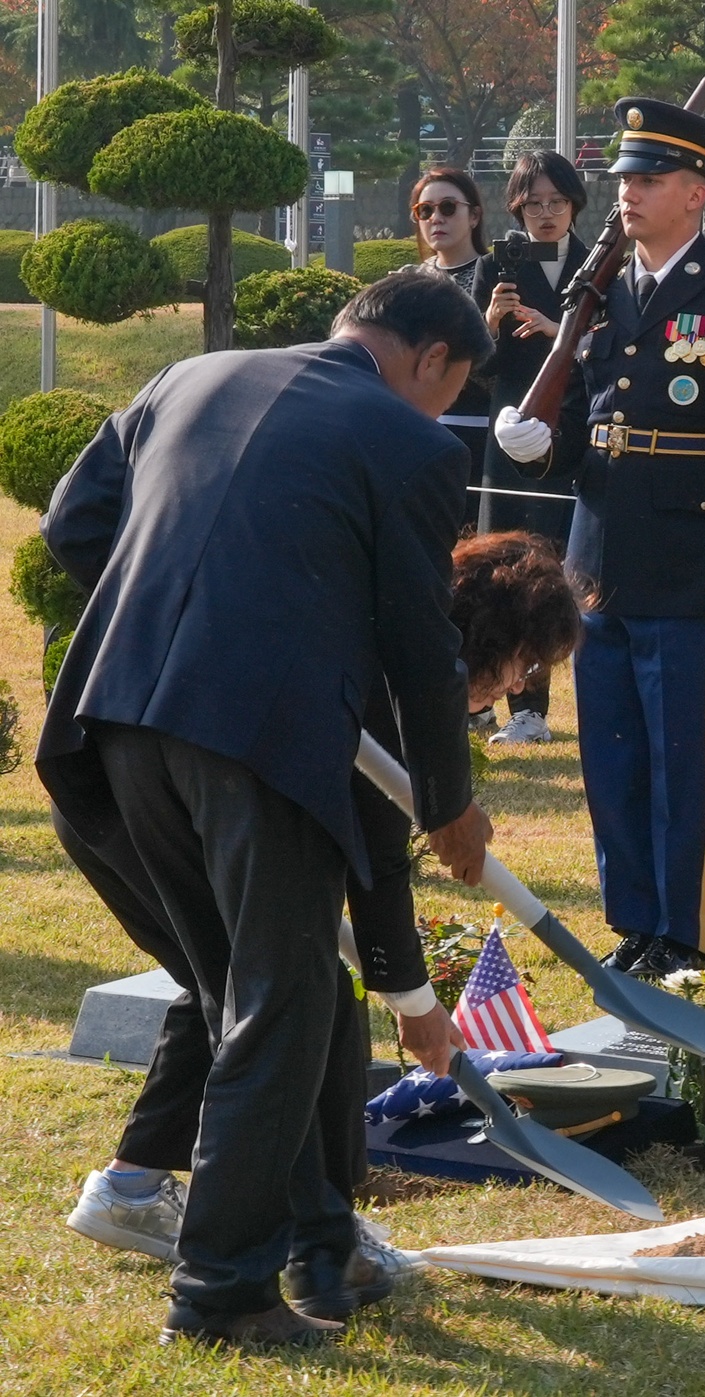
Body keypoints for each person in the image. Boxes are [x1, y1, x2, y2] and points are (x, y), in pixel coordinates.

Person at [36, 270, 495, 1349]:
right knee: (277, 1009)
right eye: (448, 387)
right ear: (430, 356)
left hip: (120, 715)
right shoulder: (413, 444)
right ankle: (220, 1295)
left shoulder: (189, 373)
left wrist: (185, 597)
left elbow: (73, 524)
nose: (437, 409)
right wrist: (448, 801)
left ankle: (323, 1243)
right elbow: (420, 651)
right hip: (257, 739)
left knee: (246, 994)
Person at [60, 532, 584, 1300]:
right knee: (301, 998)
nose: (522, 682)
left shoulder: (365, 635)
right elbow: (376, 857)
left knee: (247, 989)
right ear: (493, 639)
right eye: (526, 662)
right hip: (151, 807)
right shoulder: (384, 675)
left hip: (121, 785)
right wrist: (413, 1001)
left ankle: (137, 1187)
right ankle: (327, 1236)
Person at [496, 98, 705, 979]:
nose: (627, 194)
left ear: (696, 193)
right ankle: (636, 918)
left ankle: (692, 926)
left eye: (648, 180)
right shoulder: (603, 294)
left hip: (689, 557)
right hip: (598, 557)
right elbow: (593, 424)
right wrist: (538, 444)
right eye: (625, 179)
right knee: (613, 751)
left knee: (685, 755)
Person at [472, 151, 590, 745]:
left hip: (573, 426)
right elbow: (476, 368)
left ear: (575, 205)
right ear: (516, 207)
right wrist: (487, 322)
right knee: (506, 566)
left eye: (557, 202)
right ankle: (511, 702)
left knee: (560, 563)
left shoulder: (602, 261)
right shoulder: (498, 262)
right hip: (510, 429)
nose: (546, 215)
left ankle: (539, 704)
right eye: (533, 203)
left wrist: (559, 332)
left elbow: (616, 347)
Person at [410, 167, 492, 531]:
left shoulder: (499, 274)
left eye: (447, 207)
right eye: (424, 211)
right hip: (420, 429)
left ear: (474, 215)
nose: (435, 219)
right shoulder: (407, 281)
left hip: (484, 431)